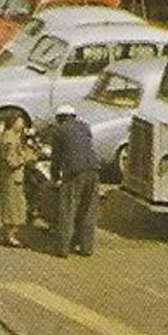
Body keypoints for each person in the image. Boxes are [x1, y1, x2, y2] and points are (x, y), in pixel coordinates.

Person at [48, 104, 99, 257]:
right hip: (94, 170)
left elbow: (56, 157)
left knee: (68, 209)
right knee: (88, 210)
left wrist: (55, 176)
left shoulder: (59, 131)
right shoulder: (84, 127)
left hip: (75, 172)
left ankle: (62, 248)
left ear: (60, 118)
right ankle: (86, 247)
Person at [0, 113, 33, 248]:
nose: (22, 125)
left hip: (10, 177)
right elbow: (11, 161)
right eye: (20, 122)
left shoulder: (11, 137)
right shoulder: (10, 139)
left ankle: (9, 235)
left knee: (11, 206)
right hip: (12, 178)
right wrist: (25, 159)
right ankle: (10, 237)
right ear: (14, 122)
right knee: (13, 207)